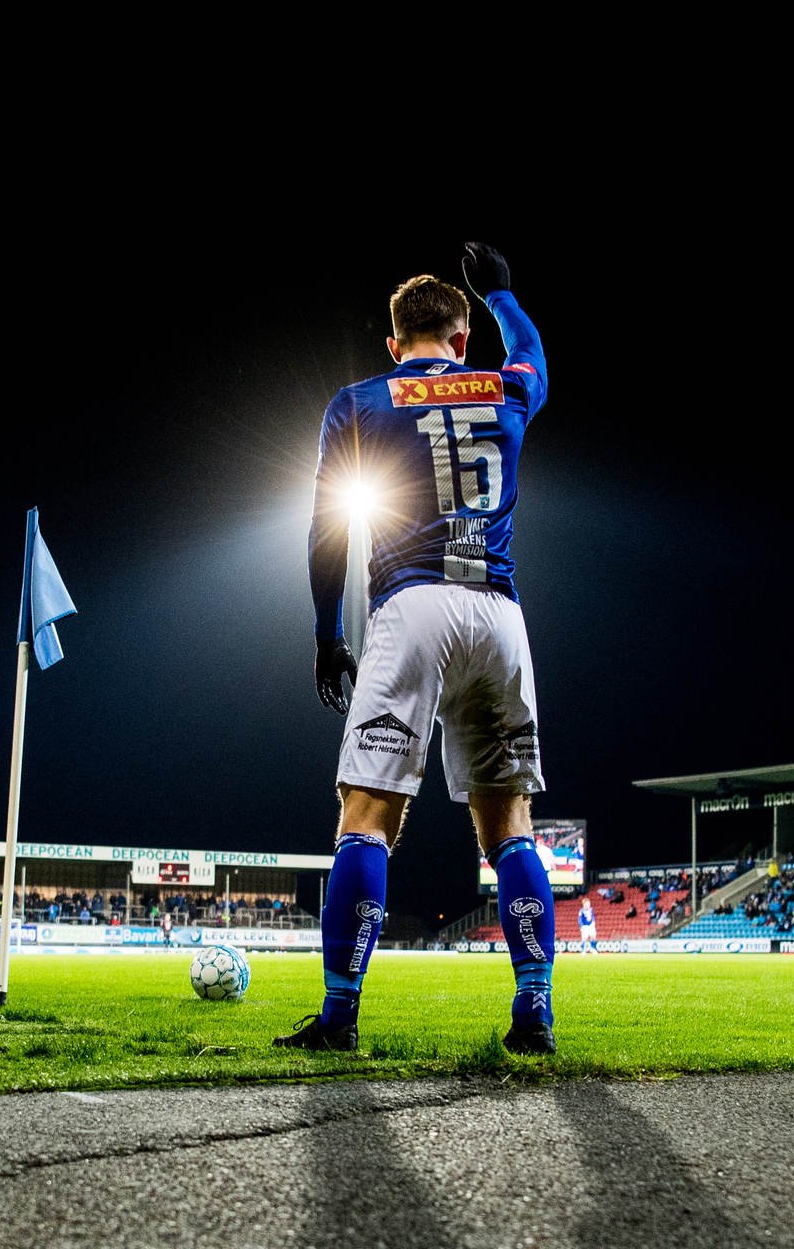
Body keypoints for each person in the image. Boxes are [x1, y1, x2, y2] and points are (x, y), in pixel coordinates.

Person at [281, 242, 552, 1055]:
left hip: (410, 604)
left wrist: (330, 634)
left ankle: (339, 1016)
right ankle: (533, 1008)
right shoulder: (507, 387)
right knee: (511, 827)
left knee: (365, 819)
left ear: (395, 344)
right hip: (501, 614)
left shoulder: (361, 399)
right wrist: (502, 296)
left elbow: (330, 530)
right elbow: (535, 356)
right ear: (463, 339)